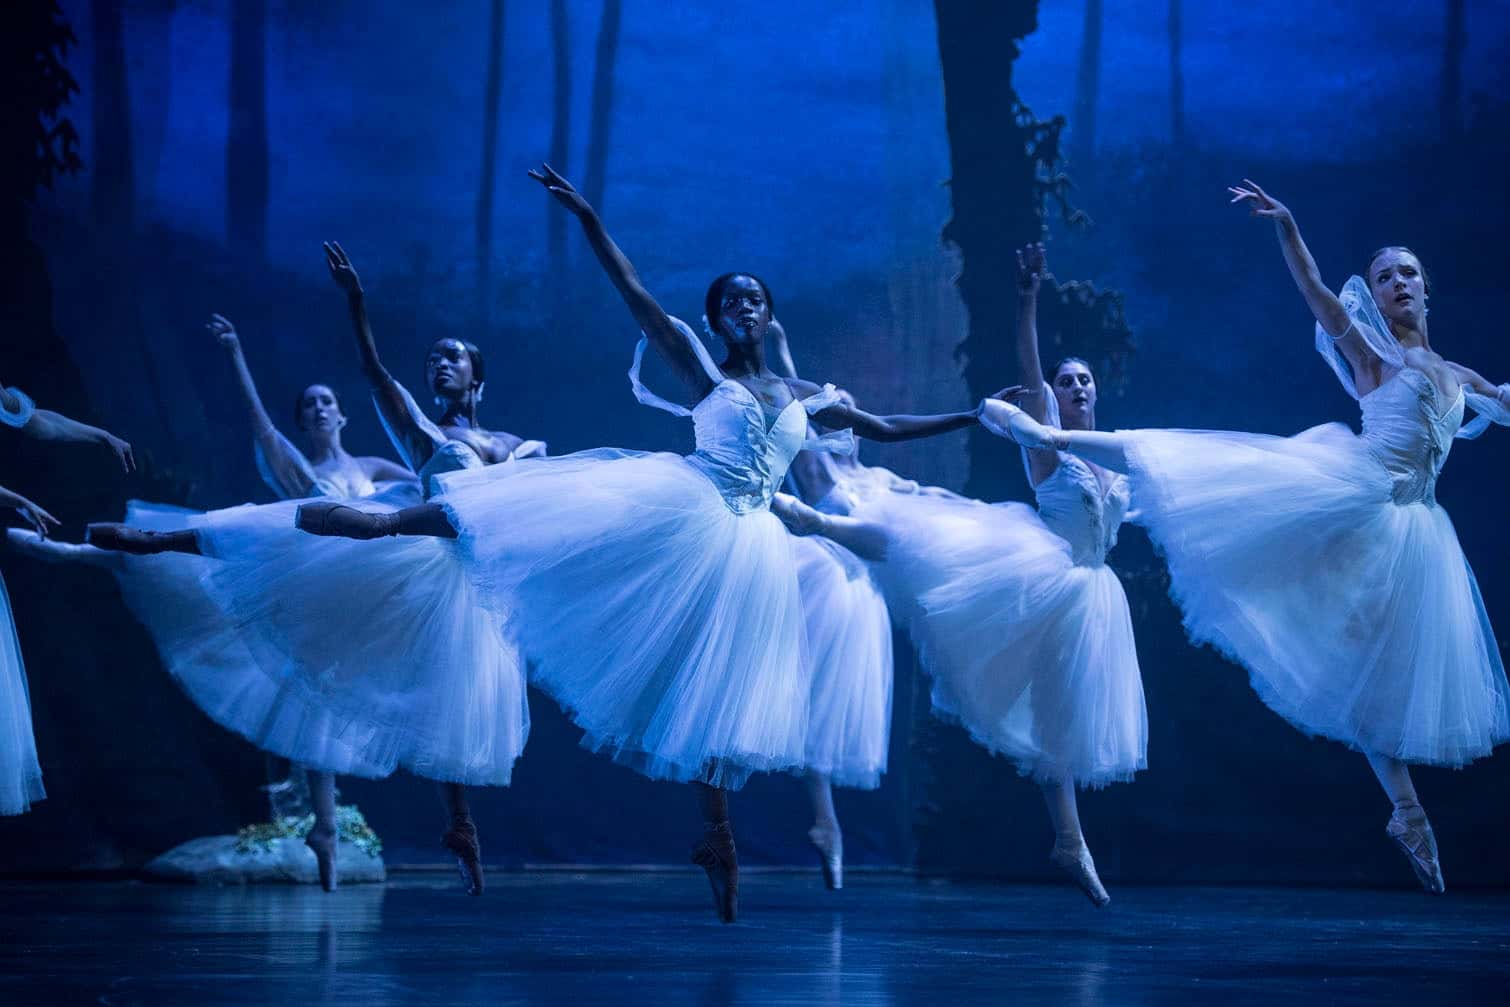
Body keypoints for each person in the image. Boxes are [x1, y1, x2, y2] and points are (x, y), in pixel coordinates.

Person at [295, 163, 988, 922]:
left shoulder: (802, 395)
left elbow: (883, 426)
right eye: (729, 301)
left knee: (718, 692)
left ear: (768, 313)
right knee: (544, 512)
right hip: (688, 510)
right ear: (718, 318)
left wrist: (970, 416)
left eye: (753, 298)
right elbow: (636, 293)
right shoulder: (703, 371)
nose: (742, 308)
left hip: (752, 544)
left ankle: (718, 839)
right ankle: (384, 522)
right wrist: (590, 219)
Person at [984, 181, 1510, 893]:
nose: (1395, 283)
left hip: (1417, 534)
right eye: (1384, 275)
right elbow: (1319, 291)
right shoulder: (1373, 357)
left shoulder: (1455, 374)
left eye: (1407, 272)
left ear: (1426, 289)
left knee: (1380, 670)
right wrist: (1288, 224)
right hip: (1352, 497)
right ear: (1377, 296)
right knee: (1197, 465)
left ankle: (1408, 811)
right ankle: (1050, 434)